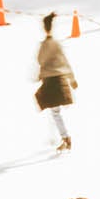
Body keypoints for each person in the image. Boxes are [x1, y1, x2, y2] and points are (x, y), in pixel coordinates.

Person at [35, 13, 77, 150]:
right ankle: (59, 137)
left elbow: (40, 60)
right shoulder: (57, 44)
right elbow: (65, 61)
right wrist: (72, 78)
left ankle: (65, 138)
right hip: (59, 78)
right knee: (55, 110)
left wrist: (39, 75)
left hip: (50, 81)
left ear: (44, 28)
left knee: (54, 111)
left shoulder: (44, 45)